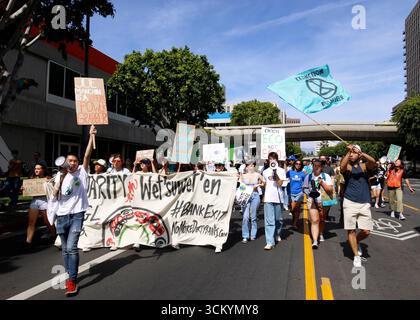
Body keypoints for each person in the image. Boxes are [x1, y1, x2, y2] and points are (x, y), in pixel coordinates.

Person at [52, 125, 96, 296]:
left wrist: (91, 136)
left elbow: (87, 155)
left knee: (71, 247)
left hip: (77, 214)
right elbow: (55, 196)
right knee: (64, 249)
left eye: (74, 161)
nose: (72, 163)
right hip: (62, 216)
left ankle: (72, 281)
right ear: (65, 163)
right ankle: (69, 275)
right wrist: (59, 180)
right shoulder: (61, 175)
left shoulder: (82, 172)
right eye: (69, 161)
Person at [340, 144, 376, 268]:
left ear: (359, 154)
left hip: (364, 202)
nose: (351, 154)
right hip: (349, 202)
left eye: (354, 153)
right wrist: (348, 151)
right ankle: (356, 256)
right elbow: (342, 166)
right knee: (351, 230)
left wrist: (362, 153)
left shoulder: (364, 167)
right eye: (350, 153)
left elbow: (373, 161)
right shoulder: (348, 167)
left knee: (366, 231)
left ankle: (357, 241)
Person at [303, 160, 334, 249]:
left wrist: (322, 183)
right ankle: (315, 241)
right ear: (312, 166)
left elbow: (330, 189)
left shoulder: (325, 176)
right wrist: (309, 193)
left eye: (318, 166)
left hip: (323, 201)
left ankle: (320, 233)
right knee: (315, 220)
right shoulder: (308, 177)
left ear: (321, 167)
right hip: (312, 201)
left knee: (322, 219)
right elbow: (304, 188)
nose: (316, 167)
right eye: (315, 165)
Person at [24, 164, 56, 245]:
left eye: (38, 168)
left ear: (43, 170)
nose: (36, 170)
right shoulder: (32, 179)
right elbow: (28, 189)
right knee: (31, 222)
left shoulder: (48, 178)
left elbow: (53, 190)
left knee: (47, 222)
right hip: (35, 201)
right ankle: (28, 241)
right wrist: (24, 189)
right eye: (35, 168)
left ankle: (54, 236)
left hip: (44, 201)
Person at [262, 152, 286, 250]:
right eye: (270, 159)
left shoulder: (281, 170)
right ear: (268, 160)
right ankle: (270, 242)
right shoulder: (265, 172)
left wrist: (276, 174)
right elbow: (265, 185)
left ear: (277, 160)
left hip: (278, 198)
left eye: (274, 159)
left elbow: (281, 184)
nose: (272, 160)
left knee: (278, 219)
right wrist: (263, 190)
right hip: (268, 198)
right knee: (269, 221)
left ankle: (277, 233)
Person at [239, 160, 264, 243]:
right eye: (249, 165)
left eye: (253, 165)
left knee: (253, 217)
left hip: (255, 195)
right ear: (246, 167)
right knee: (245, 217)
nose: (251, 166)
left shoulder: (257, 174)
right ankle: (245, 236)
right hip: (246, 196)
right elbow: (240, 187)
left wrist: (259, 185)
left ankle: (253, 235)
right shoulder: (243, 175)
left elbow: (264, 182)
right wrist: (245, 188)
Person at [287, 160, 306, 230]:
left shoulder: (302, 173)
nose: (298, 165)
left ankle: (295, 223)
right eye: (297, 163)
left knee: (297, 209)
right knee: (292, 209)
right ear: (294, 164)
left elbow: (306, 181)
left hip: (299, 193)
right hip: (291, 193)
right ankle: (294, 219)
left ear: (301, 165)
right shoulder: (290, 172)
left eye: (299, 164)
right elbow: (283, 176)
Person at [320, 155, 335, 222]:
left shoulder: (330, 168)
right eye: (321, 159)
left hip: (328, 188)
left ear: (326, 160)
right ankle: (321, 217)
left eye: (324, 159)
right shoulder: (317, 168)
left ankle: (326, 215)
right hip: (319, 188)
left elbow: (332, 178)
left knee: (328, 204)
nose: (322, 160)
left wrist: (332, 187)